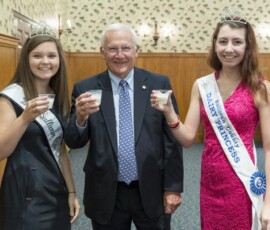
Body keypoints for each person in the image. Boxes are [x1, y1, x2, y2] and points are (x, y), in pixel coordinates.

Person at [151, 6, 270, 230]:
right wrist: (169, 113)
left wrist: (269, 203)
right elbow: (187, 138)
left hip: (242, 181)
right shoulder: (202, 85)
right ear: (215, 44)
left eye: (237, 42)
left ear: (248, 46)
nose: (229, 49)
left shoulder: (260, 88)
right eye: (223, 41)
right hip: (210, 181)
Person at [64, 22, 183, 230]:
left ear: (136, 50)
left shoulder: (159, 84)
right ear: (102, 52)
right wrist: (80, 119)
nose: (120, 55)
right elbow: (74, 141)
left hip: (151, 189)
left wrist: (172, 187)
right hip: (106, 192)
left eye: (126, 48)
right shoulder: (86, 89)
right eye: (112, 49)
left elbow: (171, 139)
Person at [0, 21, 80, 229]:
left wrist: (71, 191)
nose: (45, 61)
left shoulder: (58, 97)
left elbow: (60, 149)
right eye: (37, 55)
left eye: (51, 56)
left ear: (59, 60)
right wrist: (25, 118)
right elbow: (1, 150)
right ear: (26, 60)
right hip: (25, 193)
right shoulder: (10, 98)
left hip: (55, 189)